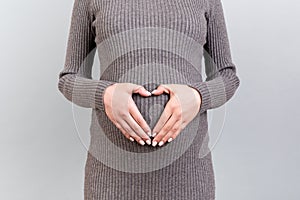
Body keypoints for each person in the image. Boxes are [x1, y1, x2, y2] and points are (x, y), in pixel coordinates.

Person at [57, 0, 240, 199]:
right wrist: (105, 95)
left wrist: (198, 96)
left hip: (188, 177)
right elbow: (69, 79)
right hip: (111, 179)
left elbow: (227, 76)